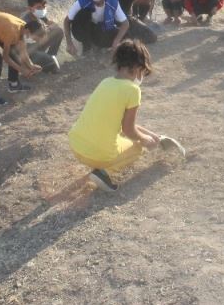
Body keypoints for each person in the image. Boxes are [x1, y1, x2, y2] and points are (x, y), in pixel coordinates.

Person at [68, 39, 161, 192]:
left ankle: (101, 166)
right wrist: (144, 140)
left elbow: (122, 123)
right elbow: (128, 129)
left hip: (76, 145)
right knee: (138, 147)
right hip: (96, 155)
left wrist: (151, 134)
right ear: (138, 67)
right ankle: (104, 172)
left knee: (124, 139)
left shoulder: (105, 82)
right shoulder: (132, 90)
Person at [0, 11, 45, 106]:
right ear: (28, 32)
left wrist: (31, 66)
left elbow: (23, 52)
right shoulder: (12, 32)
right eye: (35, 39)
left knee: (15, 54)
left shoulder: (24, 28)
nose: (34, 41)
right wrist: (22, 70)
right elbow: (6, 57)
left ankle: (14, 84)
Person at [64, 0, 132, 56]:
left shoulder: (112, 1)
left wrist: (116, 41)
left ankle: (103, 49)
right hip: (83, 31)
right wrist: (69, 43)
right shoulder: (82, 1)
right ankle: (87, 46)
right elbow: (67, 21)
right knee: (84, 13)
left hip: (102, 30)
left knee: (126, 37)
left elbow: (125, 23)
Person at [20, 0, 64, 73]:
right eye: (39, 7)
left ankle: (50, 56)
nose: (42, 9)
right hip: (30, 53)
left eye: (44, 6)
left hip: (39, 46)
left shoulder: (39, 15)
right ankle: (42, 63)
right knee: (53, 65)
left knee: (58, 31)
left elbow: (51, 25)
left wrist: (51, 26)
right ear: (30, 8)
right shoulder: (25, 22)